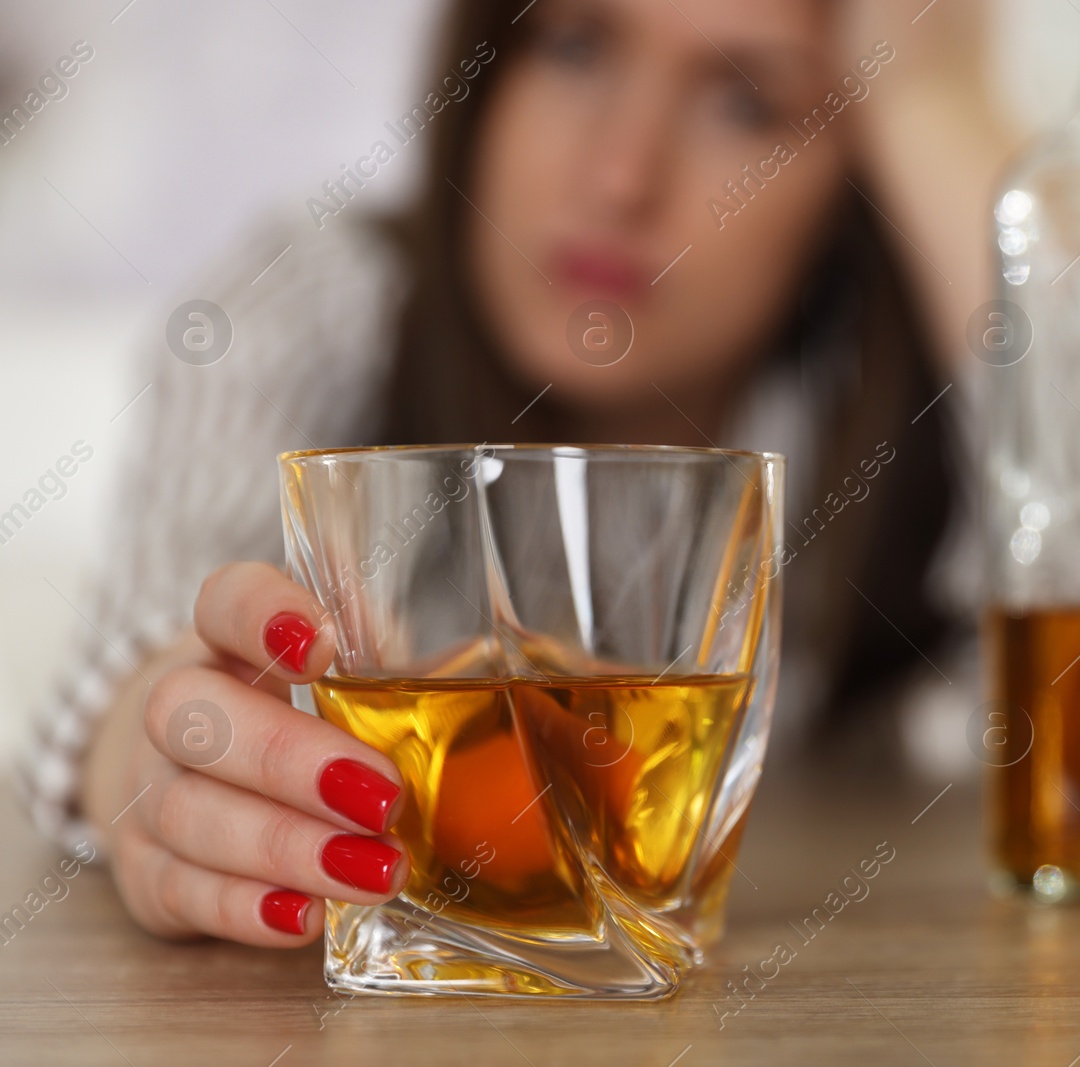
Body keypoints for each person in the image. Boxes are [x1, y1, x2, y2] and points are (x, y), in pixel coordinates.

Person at [14, 0, 1005, 948]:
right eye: (575, 46)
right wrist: (160, 747)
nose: (621, 173)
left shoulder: (907, 420)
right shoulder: (313, 307)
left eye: (745, 99)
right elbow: (161, 624)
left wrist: (930, 96)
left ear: (857, 181)